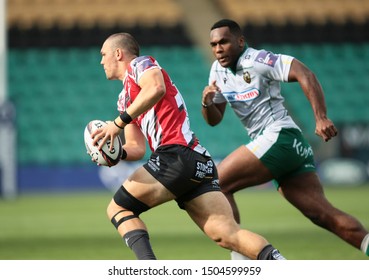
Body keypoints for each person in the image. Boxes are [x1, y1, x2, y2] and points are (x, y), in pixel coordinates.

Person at [89, 32, 286, 260]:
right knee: (227, 234)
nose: (101, 61)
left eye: (103, 55)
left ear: (118, 53)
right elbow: (136, 147)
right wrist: (114, 153)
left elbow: (156, 88)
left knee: (118, 208)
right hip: (197, 161)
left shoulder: (141, 64)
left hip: (176, 155)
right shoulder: (124, 100)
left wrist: (117, 123)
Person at [201, 19, 369, 260]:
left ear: (240, 41)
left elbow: (303, 72)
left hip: (279, 135)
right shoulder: (217, 71)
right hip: (286, 147)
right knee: (324, 215)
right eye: (214, 44)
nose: (218, 49)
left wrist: (320, 118)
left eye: (224, 42)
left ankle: (244, 261)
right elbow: (214, 119)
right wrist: (207, 102)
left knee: (217, 183)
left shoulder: (257, 60)